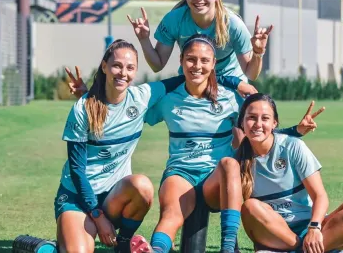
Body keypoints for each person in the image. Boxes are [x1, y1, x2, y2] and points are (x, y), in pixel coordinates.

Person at [55, 39, 250, 253]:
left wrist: (234, 82)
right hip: (79, 197)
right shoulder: (83, 108)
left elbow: (193, 77)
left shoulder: (142, 97)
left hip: (114, 194)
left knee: (142, 185)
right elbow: (77, 171)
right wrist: (89, 95)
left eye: (130, 67)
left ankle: (124, 245)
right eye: (117, 66)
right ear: (104, 66)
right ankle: (42, 246)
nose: (123, 72)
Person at [128, 35, 320, 253]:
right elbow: (127, 114)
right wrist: (93, 96)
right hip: (181, 173)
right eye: (191, 59)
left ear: (213, 64)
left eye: (204, 60)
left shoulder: (229, 97)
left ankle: (228, 248)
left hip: (218, 180)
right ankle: (156, 250)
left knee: (229, 163)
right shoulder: (168, 99)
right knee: (172, 214)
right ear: (181, 61)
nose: (197, 66)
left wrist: (295, 131)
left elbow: (256, 130)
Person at [231, 93, 343, 253]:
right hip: (274, 235)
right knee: (250, 206)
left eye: (265, 118)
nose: (258, 124)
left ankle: (309, 248)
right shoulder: (235, 160)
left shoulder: (293, 146)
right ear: (242, 122)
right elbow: (230, 208)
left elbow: (320, 196)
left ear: (274, 123)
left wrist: (314, 228)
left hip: (310, 226)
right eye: (251, 117)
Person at [127, 0, 272, 82]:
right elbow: (157, 65)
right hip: (191, 81)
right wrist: (144, 39)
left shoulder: (233, 24)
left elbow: (251, 75)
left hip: (231, 84)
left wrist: (258, 53)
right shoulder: (174, 20)